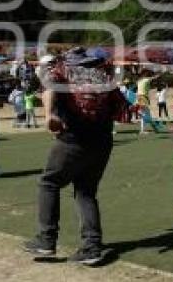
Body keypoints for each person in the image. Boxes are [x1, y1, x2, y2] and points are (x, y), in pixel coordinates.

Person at [23, 53, 127, 265]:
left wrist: (50, 114)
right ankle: (91, 247)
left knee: (49, 182)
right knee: (86, 191)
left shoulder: (64, 71)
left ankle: (46, 240)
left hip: (73, 140)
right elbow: (121, 111)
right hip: (102, 142)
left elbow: (50, 88)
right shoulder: (106, 79)